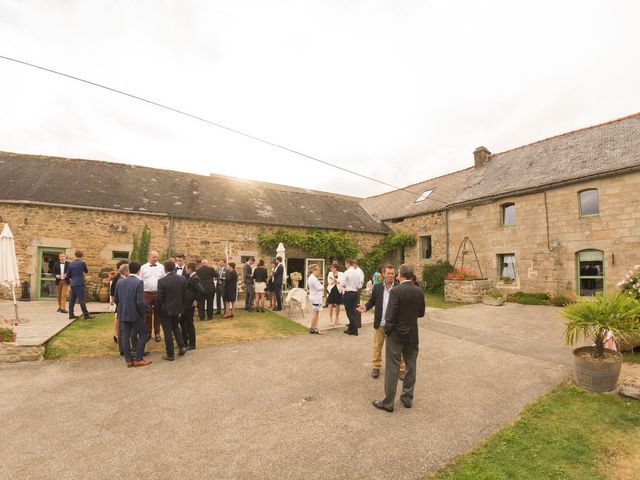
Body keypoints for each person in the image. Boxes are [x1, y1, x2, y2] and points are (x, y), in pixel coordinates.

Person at [372, 263, 426, 412]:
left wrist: (388, 330)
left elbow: (390, 315)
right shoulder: (419, 291)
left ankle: (388, 402)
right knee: (411, 366)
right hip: (412, 334)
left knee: (392, 367)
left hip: (396, 335)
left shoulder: (396, 291)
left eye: (397, 274)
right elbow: (421, 313)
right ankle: (407, 398)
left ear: (400, 276)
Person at [357, 264, 405, 380]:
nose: (390, 276)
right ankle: (376, 367)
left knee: (398, 348)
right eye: (388, 273)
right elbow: (372, 301)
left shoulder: (399, 287)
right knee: (377, 346)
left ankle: (401, 369)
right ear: (383, 274)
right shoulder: (377, 287)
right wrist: (365, 307)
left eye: (392, 273)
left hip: (394, 325)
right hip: (380, 323)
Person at [114, 262, 152, 368]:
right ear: (139, 270)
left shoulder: (120, 282)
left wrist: (122, 308)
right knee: (143, 334)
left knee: (125, 336)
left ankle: (129, 360)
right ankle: (138, 359)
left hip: (123, 313)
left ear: (129, 270)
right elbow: (139, 301)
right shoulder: (139, 282)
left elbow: (116, 299)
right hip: (135, 314)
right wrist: (142, 313)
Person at [155, 261, 187, 361]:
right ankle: (181, 346)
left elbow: (159, 298)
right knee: (175, 327)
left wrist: (156, 309)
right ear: (174, 268)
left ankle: (170, 354)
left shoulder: (162, 281)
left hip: (165, 309)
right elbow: (184, 294)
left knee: (167, 331)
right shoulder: (182, 278)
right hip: (177, 308)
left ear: (165, 269)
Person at [140, 250, 165, 342]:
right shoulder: (143, 267)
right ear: (149, 257)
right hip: (146, 293)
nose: (155, 259)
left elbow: (164, 280)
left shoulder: (161, 267)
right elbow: (140, 280)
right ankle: (148, 333)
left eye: (157, 257)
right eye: (154, 257)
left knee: (158, 313)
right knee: (147, 313)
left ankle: (157, 333)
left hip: (158, 293)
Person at [182, 262, 204, 350]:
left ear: (190, 269)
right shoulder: (191, 277)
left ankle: (192, 344)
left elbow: (201, 290)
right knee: (184, 322)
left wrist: (196, 300)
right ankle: (184, 341)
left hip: (190, 304)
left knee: (189, 323)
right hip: (187, 303)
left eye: (186, 268)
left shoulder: (194, 278)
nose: (185, 269)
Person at [67, 250, 93, 320]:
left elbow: (68, 275)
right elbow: (86, 271)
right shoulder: (82, 263)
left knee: (72, 300)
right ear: (82, 256)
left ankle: (71, 314)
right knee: (82, 300)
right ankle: (86, 315)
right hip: (79, 284)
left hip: (73, 283)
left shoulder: (71, 264)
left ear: (75, 256)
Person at [110, 260, 129, 345]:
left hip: (120, 302)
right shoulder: (117, 278)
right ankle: (117, 336)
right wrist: (113, 301)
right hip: (120, 302)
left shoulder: (121, 278)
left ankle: (119, 336)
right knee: (117, 319)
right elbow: (113, 291)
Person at [341, 259, 360, 335]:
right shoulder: (357, 272)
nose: (345, 266)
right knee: (353, 311)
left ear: (348, 264)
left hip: (348, 293)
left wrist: (346, 285)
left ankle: (355, 329)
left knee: (349, 312)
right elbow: (359, 285)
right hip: (355, 292)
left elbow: (342, 283)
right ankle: (351, 329)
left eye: (345, 264)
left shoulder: (347, 272)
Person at [307, 264, 324, 334]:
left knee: (316, 312)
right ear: (313, 270)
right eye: (317, 270)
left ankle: (316, 327)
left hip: (314, 296)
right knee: (315, 312)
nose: (318, 271)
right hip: (315, 297)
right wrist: (322, 286)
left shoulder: (311, 277)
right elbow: (318, 287)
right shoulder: (313, 278)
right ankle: (312, 327)